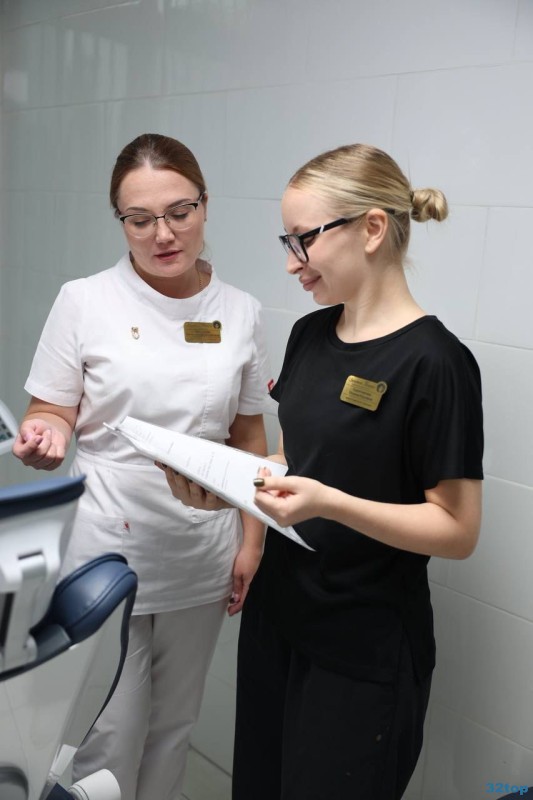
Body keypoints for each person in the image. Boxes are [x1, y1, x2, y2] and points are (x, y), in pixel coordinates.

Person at [166, 142, 484, 800]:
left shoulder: (436, 363)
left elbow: (457, 530)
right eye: (286, 241)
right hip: (278, 623)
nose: (291, 263)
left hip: (362, 649)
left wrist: (330, 503)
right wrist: (226, 485)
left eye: (303, 240)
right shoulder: (310, 336)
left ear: (372, 228)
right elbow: (292, 462)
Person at [12, 133, 271, 800]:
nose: (163, 234)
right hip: (107, 548)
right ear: (120, 221)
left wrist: (252, 540)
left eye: (179, 212)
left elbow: (247, 435)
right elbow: (53, 409)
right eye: (139, 219)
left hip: (203, 548)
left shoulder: (240, 311)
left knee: (174, 727)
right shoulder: (85, 300)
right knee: (109, 733)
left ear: (205, 205)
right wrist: (46, 433)